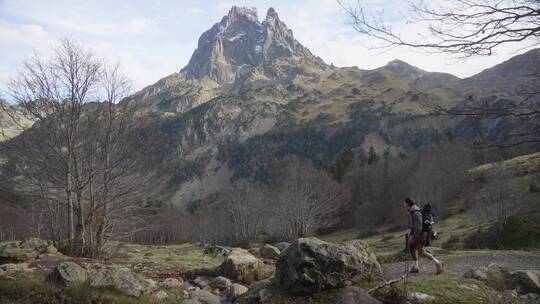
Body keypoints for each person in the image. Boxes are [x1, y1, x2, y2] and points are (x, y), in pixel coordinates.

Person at [404, 197, 443, 274]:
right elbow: (413, 224)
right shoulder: (412, 211)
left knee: (414, 249)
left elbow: (418, 227)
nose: (403, 204)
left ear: (407, 203)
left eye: (404, 203)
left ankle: (416, 267)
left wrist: (413, 237)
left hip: (419, 235)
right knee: (420, 251)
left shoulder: (415, 212)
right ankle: (437, 263)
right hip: (419, 234)